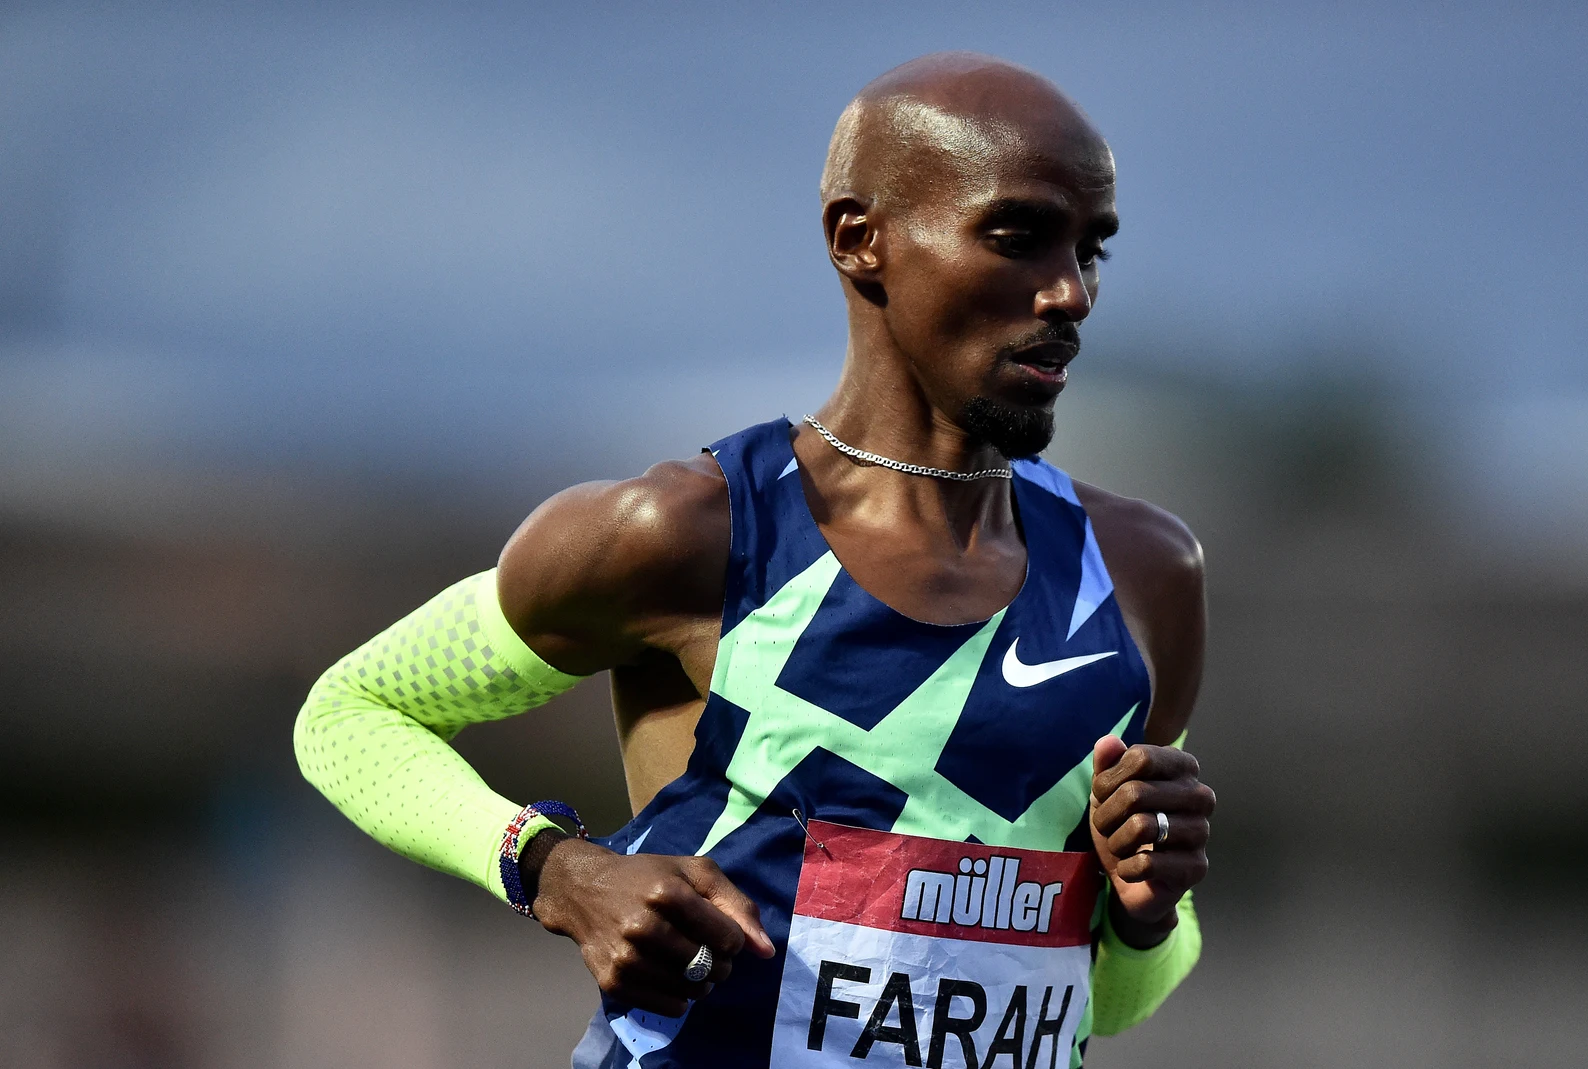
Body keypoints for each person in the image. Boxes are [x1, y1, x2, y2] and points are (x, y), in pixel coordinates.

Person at [294, 51, 1214, 1068]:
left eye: (1093, 250)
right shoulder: (687, 533)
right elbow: (350, 718)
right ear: (860, 241)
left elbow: (1115, 998)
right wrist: (557, 870)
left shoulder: (1140, 577)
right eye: (1017, 236)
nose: (1069, 293)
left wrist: (1144, 914)